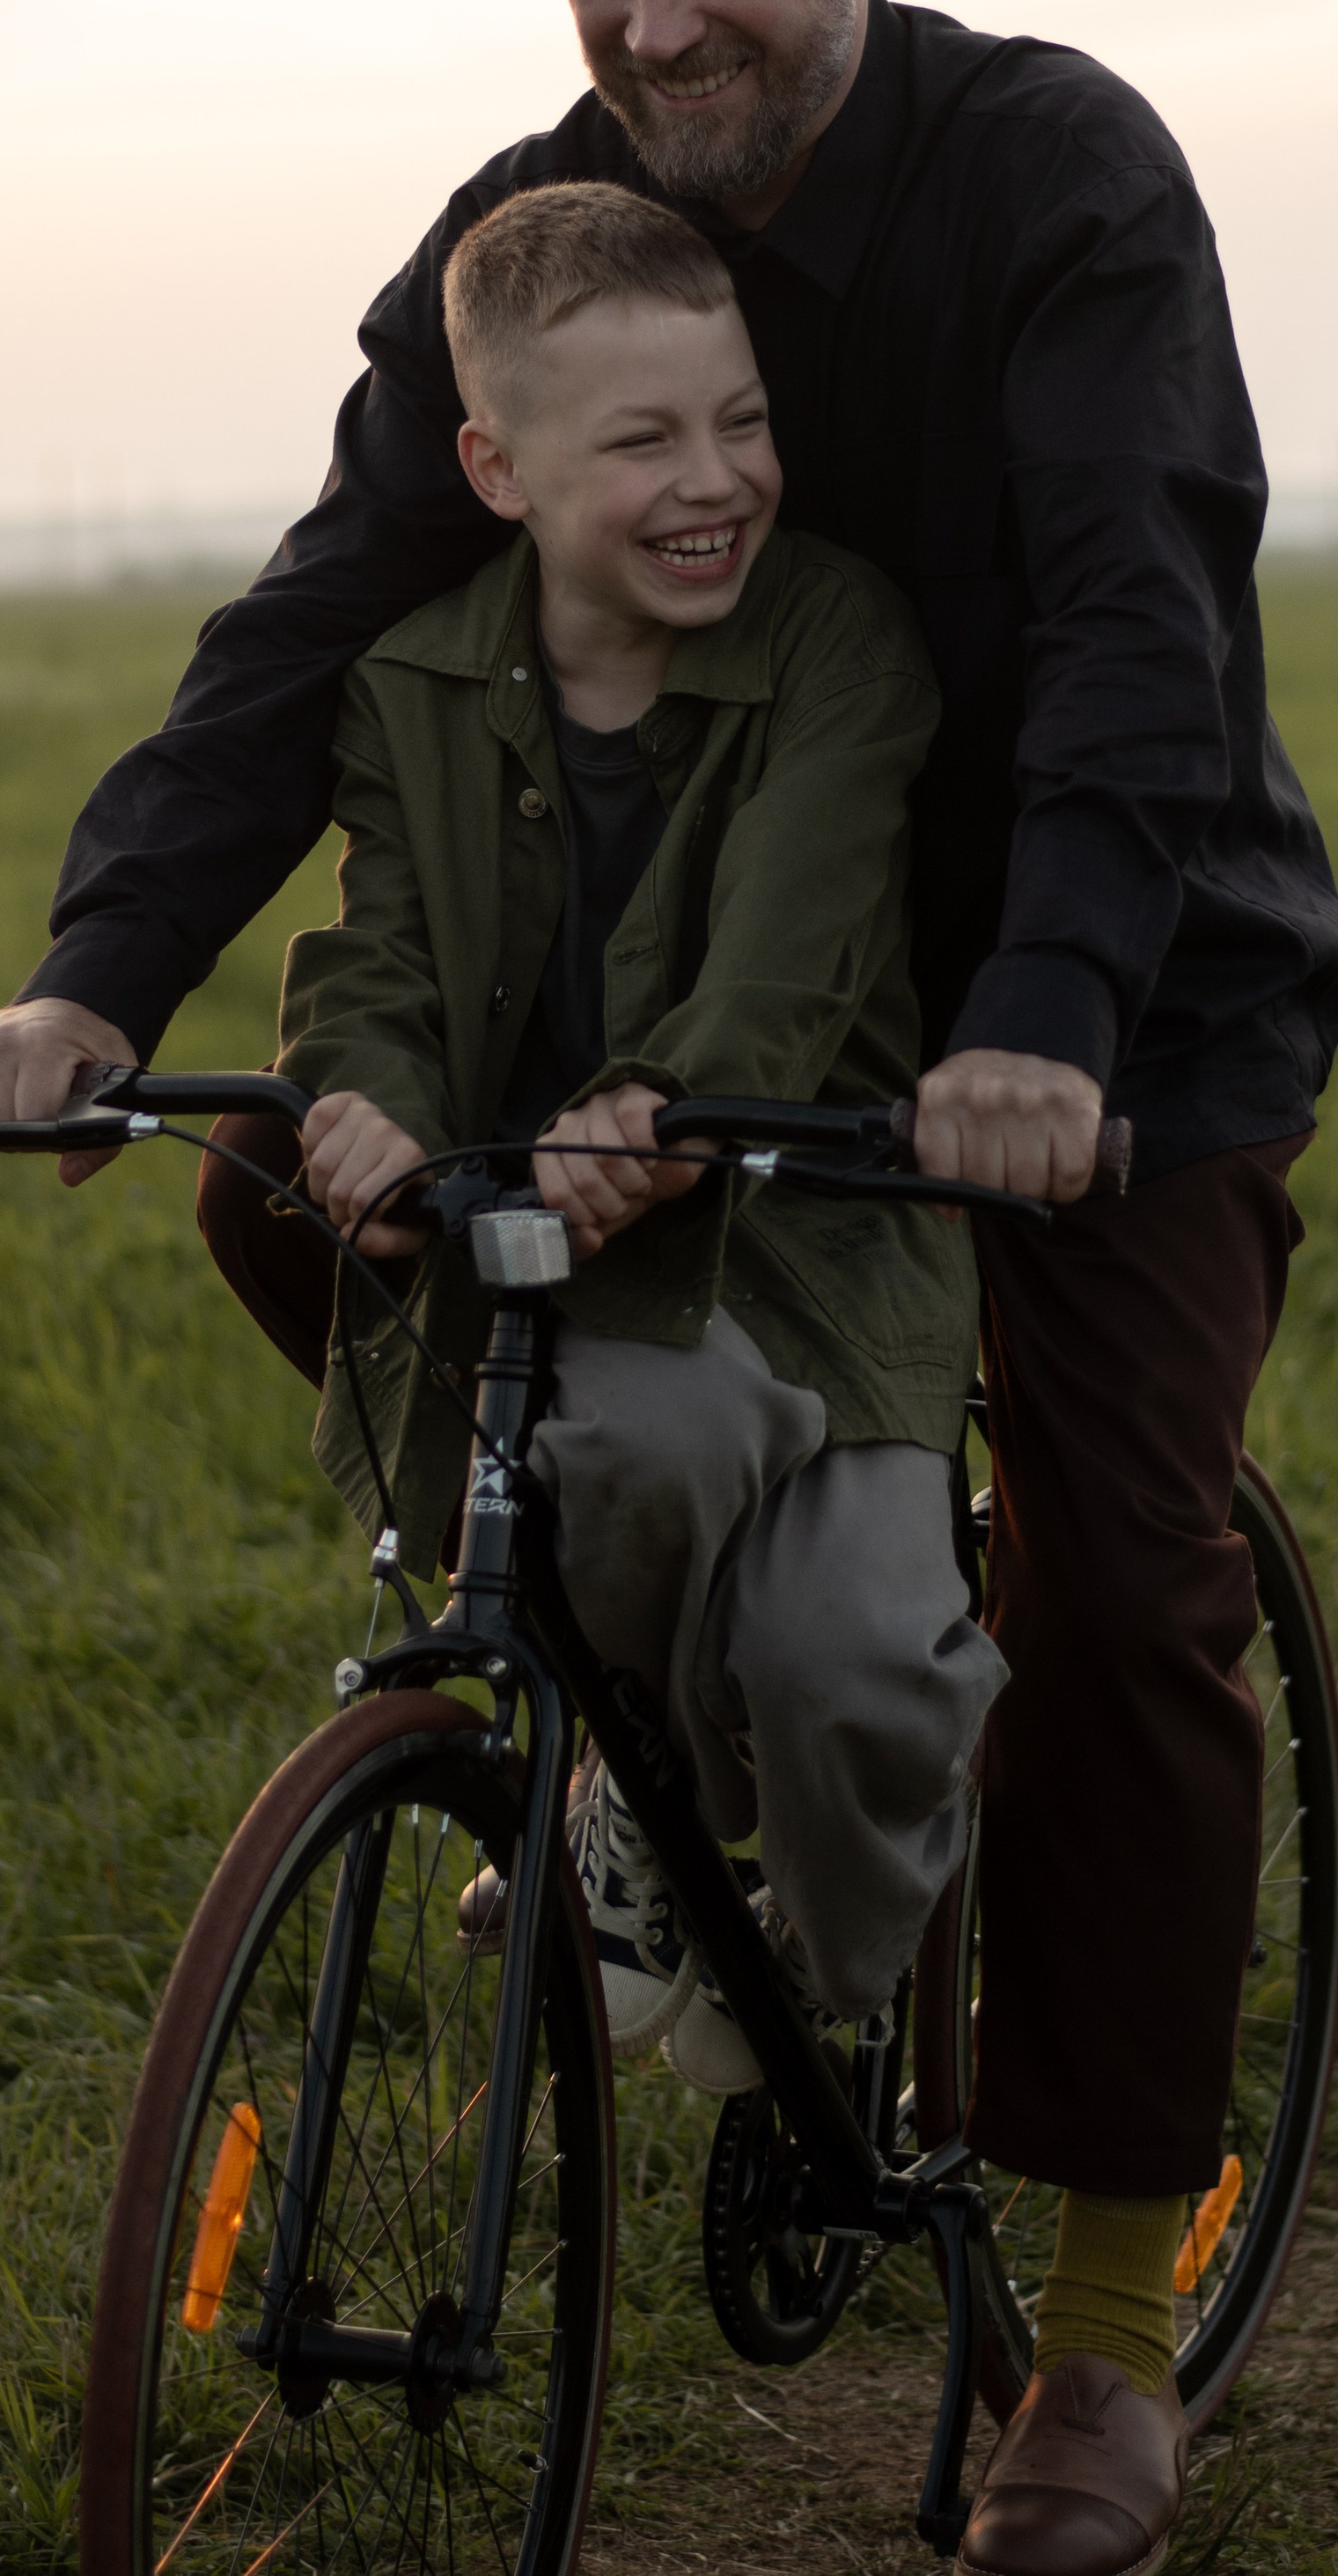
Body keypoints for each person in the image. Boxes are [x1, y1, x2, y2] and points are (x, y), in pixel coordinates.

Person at [0, 0, 1338, 2576]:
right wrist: (93, 976)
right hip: (695, 984)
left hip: (1102, 1016)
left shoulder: (1057, 183)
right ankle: (628, 1760)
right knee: (276, 1182)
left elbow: (1130, 641)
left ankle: (1095, 2349)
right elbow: (323, 619)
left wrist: (1056, 1018)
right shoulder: (534, 241)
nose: (662, 16)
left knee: (1118, 1578)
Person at [275, 173, 1004, 2088]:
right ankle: (641, 1796)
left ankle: (829, 1999)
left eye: (741, 420)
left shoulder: (839, 640)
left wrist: (656, 1106)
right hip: (565, 1257)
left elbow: (793, 948)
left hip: (804, 1232)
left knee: (853, 1676)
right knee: (620, 1454)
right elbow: (380, 958)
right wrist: (366, 1110)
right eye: (643, 440)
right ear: (495, 467)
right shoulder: (412, 676)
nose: (714, 478)